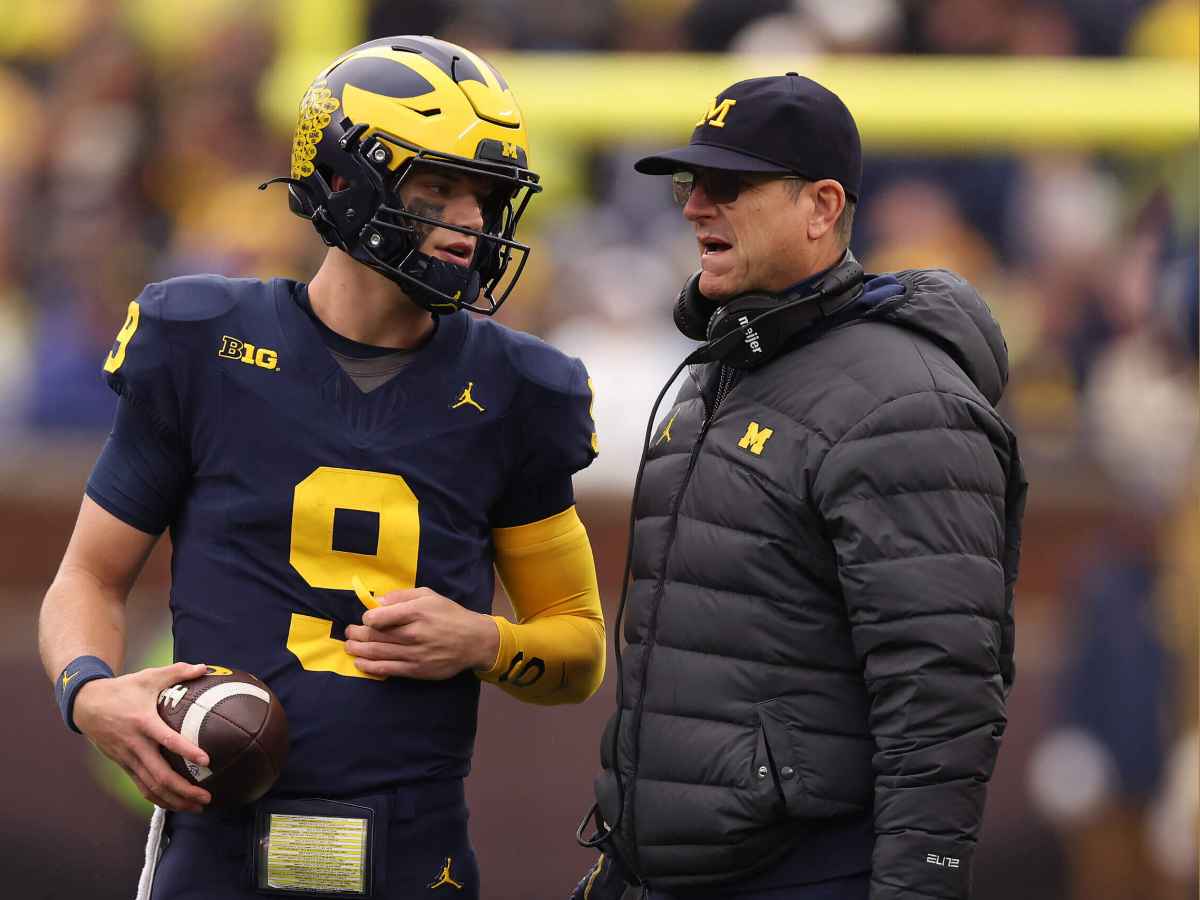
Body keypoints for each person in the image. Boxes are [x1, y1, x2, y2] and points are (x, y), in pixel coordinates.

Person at [38, 36, 605, 900]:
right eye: (439, 187)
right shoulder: (202, 342)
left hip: (415, 845)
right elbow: (88, 577)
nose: (472, 224)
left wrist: (483, 640)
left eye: (486, 198)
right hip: (217, 834)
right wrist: (89, 693)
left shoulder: (519, 388)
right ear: (343, 178)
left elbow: (578, 644)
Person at [572, 73, 1027, 899]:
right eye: (689, 182)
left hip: (807, 873)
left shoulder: (904, 399)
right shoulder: (723, 365)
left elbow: (942, 688)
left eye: (728, 185)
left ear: (822, 207)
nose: (693, 207)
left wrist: (919, 886)